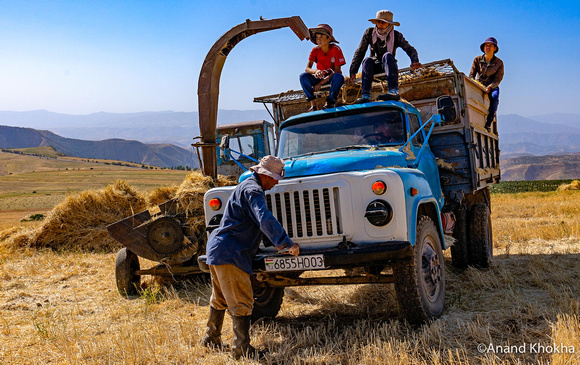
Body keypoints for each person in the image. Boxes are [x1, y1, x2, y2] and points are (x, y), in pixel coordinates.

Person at [202, 155, 299, 359]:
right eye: (274, 178)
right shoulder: (254, 190)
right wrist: (284, 243)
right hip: (231, 252)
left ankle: (211, 339)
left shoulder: (247, 186)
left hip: (218, 249)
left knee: (220, 299)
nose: (275, 182)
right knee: (242, 302)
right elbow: (264, 217)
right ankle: (241, 349)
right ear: (264, 175)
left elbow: (252, 221)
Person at [349, 10, 422, 103]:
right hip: (374, 67)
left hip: (388, 67)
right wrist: (353, 70)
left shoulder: (396, 35)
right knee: (367, 60)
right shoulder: (369, 33)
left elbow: (410, 49)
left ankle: (393, 91)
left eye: (383, 22)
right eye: (378, 21)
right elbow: (360, 52)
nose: (380, 24)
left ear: (389, 24)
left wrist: (414, 61)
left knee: (387, 55)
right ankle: (366, 95)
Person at [299, 24, 346, 111]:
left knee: (339, 77)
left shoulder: (336, 49)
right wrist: (316, 71)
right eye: (317, 37)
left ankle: (329, 102)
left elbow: (337, 71)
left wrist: (320, 83)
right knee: (303, 76)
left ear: (329, 39)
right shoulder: (315, 50)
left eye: (321, 36)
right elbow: (307, 68)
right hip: (319, 76)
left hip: (331, 77)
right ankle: (313, 104)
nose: (318, 39)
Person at [469, 37, 504, 132]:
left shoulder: (499, 63)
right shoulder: (477, 60)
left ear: (495, 48)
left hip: (492, 86)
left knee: (494, 97)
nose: (488, 47)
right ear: (483, 48)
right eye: (486, 45)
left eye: (490, 45)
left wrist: (490, 87)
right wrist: (475, 84)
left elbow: (498, 80)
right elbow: (471, 75)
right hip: (479, 84)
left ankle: (488, 123)